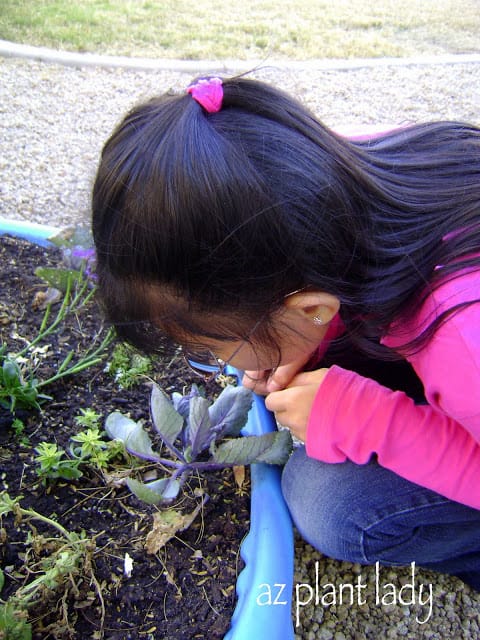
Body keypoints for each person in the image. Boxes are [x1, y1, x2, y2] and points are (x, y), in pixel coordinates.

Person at [91, 76, 480, 590]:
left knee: (332, 505)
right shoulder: (315, 179)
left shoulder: (464, 340)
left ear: (311, 305)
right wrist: (307, 337)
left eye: (211, 348)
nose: (222, 363)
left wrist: (369, 419)